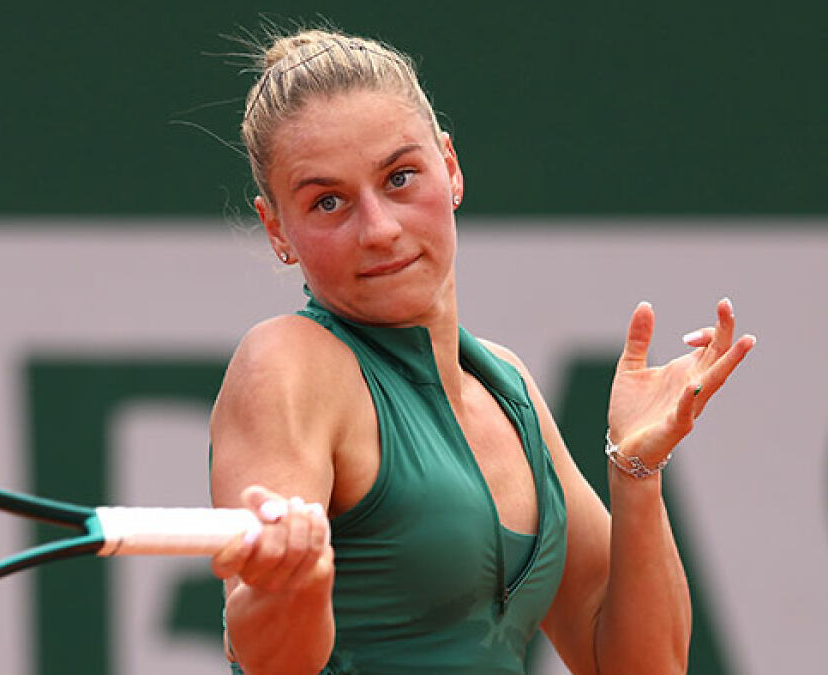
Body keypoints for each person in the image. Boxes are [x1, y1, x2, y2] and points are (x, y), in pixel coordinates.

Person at [207, 28, 755, 675]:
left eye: (400, 177)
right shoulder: (284, 364)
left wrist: (637, 470)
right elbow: (272, 659)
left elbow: (641, 666)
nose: (380, 229)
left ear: (451, 166)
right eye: (328, 201)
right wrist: (288, 583)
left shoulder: (508, 386)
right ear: (278, 229)